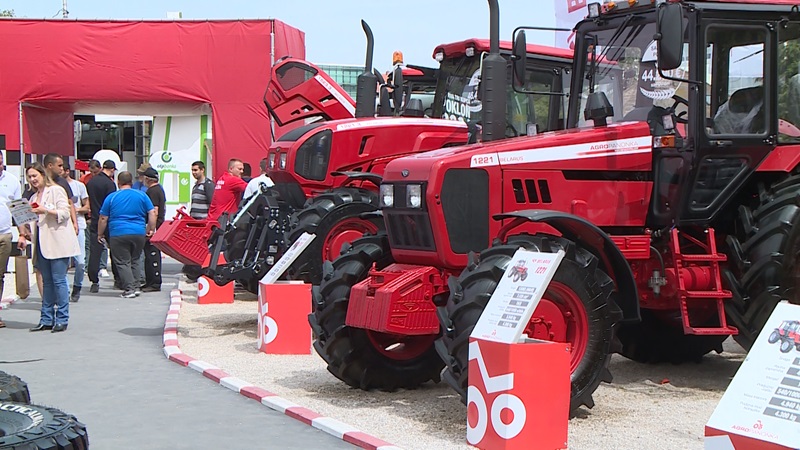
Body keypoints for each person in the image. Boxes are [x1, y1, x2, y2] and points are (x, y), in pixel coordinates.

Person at [23, 162, 79, 333]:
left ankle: (62, 318)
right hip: (40, 242)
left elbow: (64, 212)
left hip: (57, 242)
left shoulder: (56, 190)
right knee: (46, 282)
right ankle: (46, 318)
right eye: (30, 177)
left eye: (35, 176)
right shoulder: (33, 197)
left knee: (59, 280)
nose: (33, 179)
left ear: (42, 175)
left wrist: (45, 210)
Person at [97, 171, 156, 298]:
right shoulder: (142, 195)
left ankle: (129, 289)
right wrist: (150, 228)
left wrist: (100, 233)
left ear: (118, 183)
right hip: (138, 232)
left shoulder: (112, 197)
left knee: (122, 262)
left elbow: (103, 218)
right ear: (131, 182)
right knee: (135, 259)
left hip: (118, 232)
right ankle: (136, 286)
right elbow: (152, 213)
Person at [86, 160, 117, 293]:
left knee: (94, 251)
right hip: (108, 220)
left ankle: (94, 280)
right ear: (112, 170)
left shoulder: (91, 182)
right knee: (115, 251)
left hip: (94, 219)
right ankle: (118, 279)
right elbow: (112, 204)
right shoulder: (110, 184)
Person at [0, 152, 21, 328]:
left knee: (0, 274)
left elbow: (18, 209)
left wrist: (22, 233)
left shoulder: (12, 180)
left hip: (4, 234)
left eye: (1, 163)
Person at [64, 163, 89, 302]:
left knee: (80, 261)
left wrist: (75, 210)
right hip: (62, 227)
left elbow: (87, 207)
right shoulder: (55, 187)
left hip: (79, 225)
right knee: (64, 261)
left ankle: (77, 286)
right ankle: (65, 290)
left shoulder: (79, 186)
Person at [42, 153, 78, 236]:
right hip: (44, 224)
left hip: (61, 223)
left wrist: (75, 222)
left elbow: (70, 202)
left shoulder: (62, 182)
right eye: (59, 166)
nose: (62, 169)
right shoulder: (41, 181)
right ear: (50, 165)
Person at [142, 167, 165, 292]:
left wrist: (151, 228)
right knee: (151, 255)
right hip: (157, 226)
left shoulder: (153, 192)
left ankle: (154, 282)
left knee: (152, 255)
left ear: (147, 179)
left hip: (154, 228)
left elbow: (154, 211)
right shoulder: (159, 189)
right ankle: (150, 281)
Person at [207, 159, 247, 223]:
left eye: (242, 169)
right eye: (239, 169)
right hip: (223, 221)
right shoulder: (233, 180)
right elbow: (251, 188)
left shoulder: (222, 178)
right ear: (231, 169)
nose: (242, 171)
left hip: (213, 218)